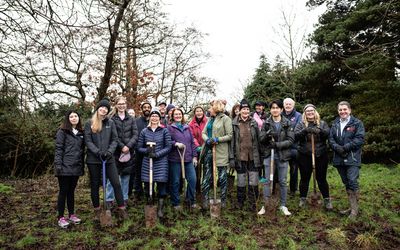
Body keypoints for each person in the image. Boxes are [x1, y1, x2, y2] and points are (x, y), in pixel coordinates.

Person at [84, 98, 127, 220]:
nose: (103, 110)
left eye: (106, 108)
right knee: (95, 185)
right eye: (102, 108)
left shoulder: (110, 123)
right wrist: (97, 152)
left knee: (116, 183)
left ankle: (122, 208)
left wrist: (109, 152)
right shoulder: (89, 123)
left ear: (108, 111)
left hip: (108, 159)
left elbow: (115, 139)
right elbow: (87, 140)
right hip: (94, 159)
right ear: (98, 109)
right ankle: (97, 210)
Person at [329, 101, 365, 219]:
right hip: (339, 158)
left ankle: (355, 211)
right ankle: (352, 206)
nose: (342, 112)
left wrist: (345, 147)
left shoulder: (357, 123)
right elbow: (331, 139)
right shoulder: (335, 124)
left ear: (349, 110)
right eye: (340, 110)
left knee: (352, 181)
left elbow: (359, 139)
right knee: (346, 182)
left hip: (352, 158)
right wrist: (337, 148)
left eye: (345, 109)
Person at [258, 99, 294, 216]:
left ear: (281, 109)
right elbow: (261, 139)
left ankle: (283, 205)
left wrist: (277, 145)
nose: (275, 110)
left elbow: (291, 140)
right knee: (267, 181)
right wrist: (267, 135)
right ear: (270, 110)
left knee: (283, 181)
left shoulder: (287, 123)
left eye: (277, 108)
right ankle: (266, 204)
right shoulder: (266, 123)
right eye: (273, 108)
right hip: (269, 155)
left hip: (282, 155)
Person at [295, 104, 332, 210]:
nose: (310, 112)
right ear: (304, 113)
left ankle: (327, 199)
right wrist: (305, 131)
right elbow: (296, 136)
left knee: (321, 179)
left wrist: (320, 131)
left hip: (320, 155)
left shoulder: (322, 123)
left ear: (315, 112)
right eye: (307, 111)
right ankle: (303, 198)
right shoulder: (301, 124)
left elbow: (328, 135)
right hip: (304, 155)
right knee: (304, 178)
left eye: (312, 110)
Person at [137, 108, 172, 218]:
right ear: (150, 117)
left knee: (161, 184)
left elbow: (168, 146)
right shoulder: (144, 131)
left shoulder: (164, 131)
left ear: (159, 118)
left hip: (161, 162)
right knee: (148, 185)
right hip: (148, 161)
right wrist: (147, 151)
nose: (154, 118)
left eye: (156, 116)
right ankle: (150, 204)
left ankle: (160, 208)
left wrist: (157, 154)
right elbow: (139, 147)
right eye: (153, 115)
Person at [106, 96, 138, 208]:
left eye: (123, 103)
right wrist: (121, 146)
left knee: (126, 177)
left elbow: (135, 134)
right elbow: (112, 135)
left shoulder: (131, 119)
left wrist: (128, 146)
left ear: (126, 105)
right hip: (115, 152)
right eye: (119, 104)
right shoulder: (111, 119)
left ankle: (124, 199)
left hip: (129, 152)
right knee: (113, 178)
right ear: (116, 105)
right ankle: (109, 199)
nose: (121, 106)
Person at [54, 110, 85, 228]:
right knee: (63, 191)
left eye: (76, 116)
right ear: (68, 119)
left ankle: (71, 214)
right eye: (71, 116)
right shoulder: (62, 132)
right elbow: (58, 149)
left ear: (78, 118)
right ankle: (61, 217)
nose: (73, 118)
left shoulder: (81, 133)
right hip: (64, 167)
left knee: (71, 191)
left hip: (76, 167)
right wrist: (58, 165)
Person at [230, 99, 261, 212]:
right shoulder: (234, 123)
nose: (245, 111)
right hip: (240, 157)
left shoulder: (254, 123)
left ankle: (253, 203)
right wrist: (232, 158)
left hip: (253, 156)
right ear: (240, 111)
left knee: (253, 181)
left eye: (247, 109)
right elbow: (232, 142)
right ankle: (240, 202)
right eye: (243, 109)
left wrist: (260, 157)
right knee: (241, 181)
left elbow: (258, 140)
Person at [201, 99, 232, 208]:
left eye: (211, 107)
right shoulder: (210, 119)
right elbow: (203, 133)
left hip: (221, 152)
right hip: (209, 151)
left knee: (222, 177)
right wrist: (207, 140)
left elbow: (229, 135)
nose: (209, 109)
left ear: (216, 108)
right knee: (207, 176)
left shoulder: (225, 119)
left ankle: (222, 200)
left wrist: (217, 139)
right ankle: (205, 199)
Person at [167, 108, 198, 210]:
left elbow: (192, 142)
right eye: (175, 114)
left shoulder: (187, 127)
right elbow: (167, 141)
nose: (178, 116)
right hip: (175, 158)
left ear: (182, 115)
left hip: (188, 158)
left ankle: (190, 200)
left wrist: (194, 156)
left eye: (179, 114)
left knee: (193, 180)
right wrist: (175, 143)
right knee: (175, 181)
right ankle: (175, 203)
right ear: (172, 116)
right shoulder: (169, 128)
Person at [129, 100, 152, 200]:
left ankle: (148, 192)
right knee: (137, 173)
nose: (146, 109)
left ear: (151, 109)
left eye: (148, 107)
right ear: (142, 109)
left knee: (149, 172)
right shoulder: (136, 121)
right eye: (145, 107)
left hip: (150, 151)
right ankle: (137, 193)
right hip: (138, 151)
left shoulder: (154, 120)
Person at [282, 97, 302, 195]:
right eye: (286, 104)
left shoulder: (298, 116)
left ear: (293, 105)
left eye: (290, 104)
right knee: (281, 169)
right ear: (283, 105)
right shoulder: (280, 114)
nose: (288, 105)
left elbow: (297, 130)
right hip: (282, 147)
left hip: (294, 147)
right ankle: (280, 189)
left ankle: (293, 189)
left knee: (294, 169)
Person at [188, 105, 208, 197]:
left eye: (200, 111)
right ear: (194, 113)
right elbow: (192, 137)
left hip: (207, 148)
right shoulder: (191, 124)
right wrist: (197, 146)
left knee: (206, 169)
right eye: (197, 111)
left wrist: (205, 145)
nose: (199, 113)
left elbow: (209, 133)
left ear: (203, 112)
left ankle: (205, 189)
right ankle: (196, 189)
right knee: (196, 171)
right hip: (195, 149)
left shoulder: (208, 121)